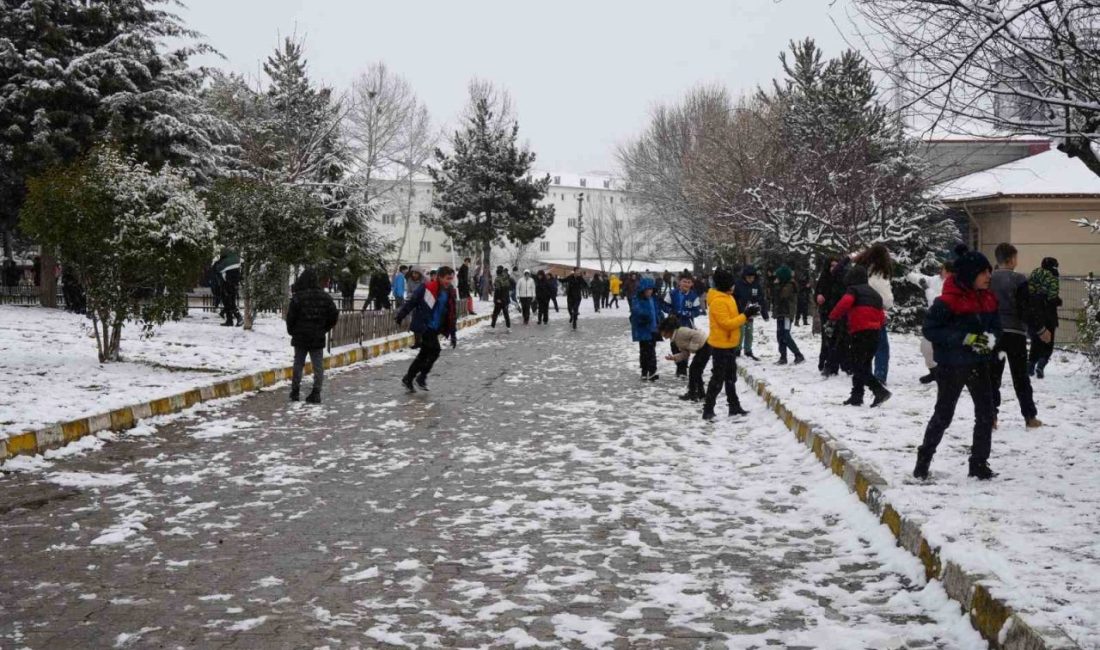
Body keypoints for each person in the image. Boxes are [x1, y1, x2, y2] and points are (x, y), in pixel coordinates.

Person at [913, 246, 1001, 481]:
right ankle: (924, 460)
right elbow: (931, 330)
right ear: (971, 274)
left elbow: (995, 328)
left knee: (985, 413)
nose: (988, 277)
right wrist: (965, 339)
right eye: (984, 272)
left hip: (979, 363)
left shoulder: (989, 299)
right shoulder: (947, 302)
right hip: (952, 366)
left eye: (988, 272)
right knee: (944, 414)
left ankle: (979, 464)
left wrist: (991, 341)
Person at [991, 244, 1044, 428]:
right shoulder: (1019, 279)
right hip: (1015, 335)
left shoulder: (989, 278)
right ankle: (1029, 416)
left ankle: (991, 416)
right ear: (1011, 259)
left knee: (993, 377)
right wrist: (1040, 330)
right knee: (1020, 377)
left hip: (994, 334)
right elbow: (1025, 308)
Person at [828, 265, 891, 407]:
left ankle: (879, 390)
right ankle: (857, 396)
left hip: (860, 331)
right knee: (864, 364)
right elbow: (882, 317)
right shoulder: (875, 294)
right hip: (875, 332)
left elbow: (845, 303)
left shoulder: (853, 290)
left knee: (855, 365)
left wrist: (833, 316)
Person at [702, 268, 759, 420]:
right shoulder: (718, 301)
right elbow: (726, 324)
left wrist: (748, 314)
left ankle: (734, 406)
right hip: (721, 346)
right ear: (725, 285)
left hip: (730, 344)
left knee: (730, 378)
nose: (734, 286)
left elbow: (734, 319)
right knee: (718, 379)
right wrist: (745, 315)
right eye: (732, 283)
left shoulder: (728, 298)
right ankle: (708, 409)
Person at [395, 266, 458, 392]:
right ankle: (421, 377)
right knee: (435, 350)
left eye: (451, 279)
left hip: (435, 327)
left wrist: (453, 334)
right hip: (424, 325)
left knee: (424, 354)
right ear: (439, 277)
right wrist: (401, 314)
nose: (449, 281)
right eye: (447, 278)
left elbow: (452, 314)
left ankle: (409, 378)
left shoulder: (450, 292)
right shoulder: (427, 288)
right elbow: (413, 301)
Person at [286, 269, 340, 404]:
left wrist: (293, 331)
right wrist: (324, 328)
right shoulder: (325, 297)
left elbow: (290, 318)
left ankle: (295, 391)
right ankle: (316, 393)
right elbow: (334, 315)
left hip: (300, 336)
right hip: (317, 336)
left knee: (298, 363)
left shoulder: (298, 297)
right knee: (318, 366)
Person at [853, 244, 895, 384]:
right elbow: (886, 300)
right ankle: (879, 376)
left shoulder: (861, 269)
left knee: (863, 347)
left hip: (857, 311)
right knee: (881, 346)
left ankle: (864, 373)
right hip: (874, 313)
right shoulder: (879, 274)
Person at [907, 262, 950, 385]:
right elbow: (921, 279)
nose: (942, 271)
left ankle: (945, 374)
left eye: (944, 269)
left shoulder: (954, 284)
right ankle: (934, 372)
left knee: (944, 350)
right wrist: (908, 274)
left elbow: (936, 301)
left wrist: (927, 289)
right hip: (933, 321)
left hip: (947, 322)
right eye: (942, 269)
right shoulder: (935, 280)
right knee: (925, 348)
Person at [660, 272, 701, 377]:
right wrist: (672, 311)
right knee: (674, 346)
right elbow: (664, 306)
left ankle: (683, 369)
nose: (686, 284)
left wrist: (687, 313)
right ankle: (679, 366)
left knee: (685, 347)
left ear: (691, 284)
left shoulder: (693, 296)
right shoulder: (672, 293)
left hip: (687, 326)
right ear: (679, 282)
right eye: (684, 282)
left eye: (689, 282)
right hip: (673, 326)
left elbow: (697, 311)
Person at [660, 315, 709, 401]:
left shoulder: (681, 332)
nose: (662, 334)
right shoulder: (676, 339)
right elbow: (685, 353)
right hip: (701, 349)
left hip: (706, 346)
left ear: (668, 330)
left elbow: (697, 335)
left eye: (662, 332)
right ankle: (699, 394)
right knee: (695, 370)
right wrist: (674, 357)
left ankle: (694, 393)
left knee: (694, 370)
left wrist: (692, 347)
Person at [1027, 257, 1061, 379]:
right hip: (1048, 315)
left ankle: (1030, 366)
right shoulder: (1053, 277)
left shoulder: (1034, 274)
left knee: (1035, 341)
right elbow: (1052, 298)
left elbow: (1029, 293)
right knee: (1048, 343)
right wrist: (1057, 301)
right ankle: (1040, 366)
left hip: (1033, 314)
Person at [772, 265, 806, 365]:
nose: (776, 279)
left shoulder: (790, 285)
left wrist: (776, 286)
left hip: (787, 313)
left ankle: (798, 355)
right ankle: (783, 357)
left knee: (786, 335)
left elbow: (782, 295)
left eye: (778, 277)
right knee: (780, 335)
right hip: (781, 313)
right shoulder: (784, 284)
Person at [733, 265, 769, 361]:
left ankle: (748, 350)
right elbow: (734, 298)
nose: (751, 279)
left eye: (752, 277)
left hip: (750, 312)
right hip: (739, 312)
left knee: (749, 331)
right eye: (749, 277)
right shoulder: (738, 285)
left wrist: (764, 313)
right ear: (745, 276)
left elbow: (761, 299)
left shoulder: (756, 286)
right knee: (740, 331)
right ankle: (737, 349)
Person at [630, 277, 661, 380]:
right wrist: (644, 317)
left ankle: (652, 370)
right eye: (647, 289)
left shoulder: (654, 300)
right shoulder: (637, 300)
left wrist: (661, 320)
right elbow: (636, 312)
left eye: (651, 289)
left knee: (652, 351)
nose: (649, 292)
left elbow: (657, 312)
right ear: (642, 290)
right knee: (645, 352)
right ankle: (645, 370)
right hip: (643, 330)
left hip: (653, 329)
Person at [215, 249, 242, 327]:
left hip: (227, 285)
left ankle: (239, 318)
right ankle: (229, 321)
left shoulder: (224, 263)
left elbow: (218, 269)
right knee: (228, 302)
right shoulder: (236, 262)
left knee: (229, 302)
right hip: (232, 285)